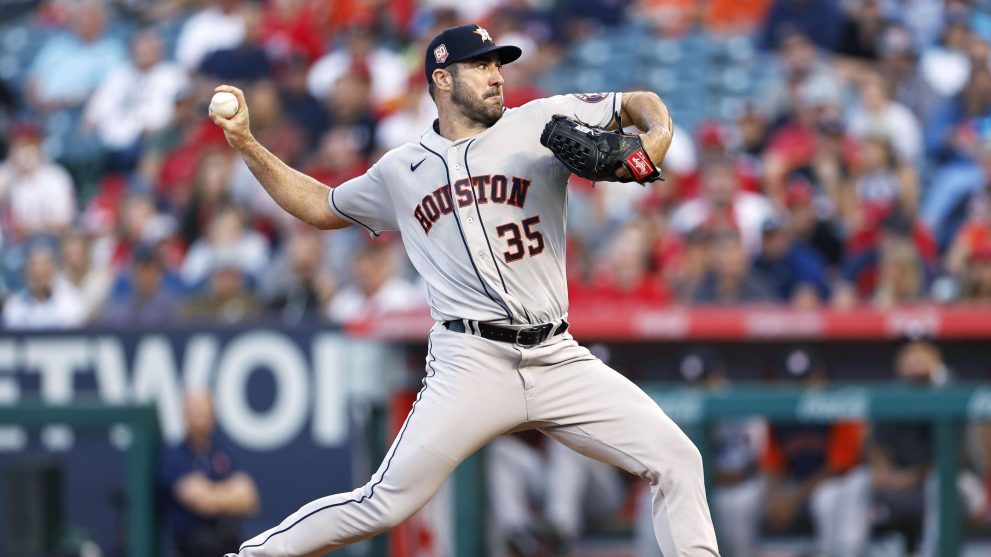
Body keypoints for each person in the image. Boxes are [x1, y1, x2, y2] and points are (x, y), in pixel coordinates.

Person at [212, 23, 718, 556]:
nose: (496, 76)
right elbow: (320, 205)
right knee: (383, 502)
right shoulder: (401, 170)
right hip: (471, 361)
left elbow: (638, 101)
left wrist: (652, 141)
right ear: (442, 80)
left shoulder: (539, 120)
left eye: (498, 64)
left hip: (557, 355)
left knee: (678, 459)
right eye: (480, 66)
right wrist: (247, 143)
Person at [159, 390, 260, 557]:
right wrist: (228, 495)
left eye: (203, 409)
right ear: (184, 414)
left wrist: (211, 494)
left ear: (213, 414)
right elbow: (199, 500)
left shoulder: (222, 452)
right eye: (193, 410)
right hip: (193, 544)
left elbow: (249, 498)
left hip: (229, 539)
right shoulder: (173, 456)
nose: (199, 416)